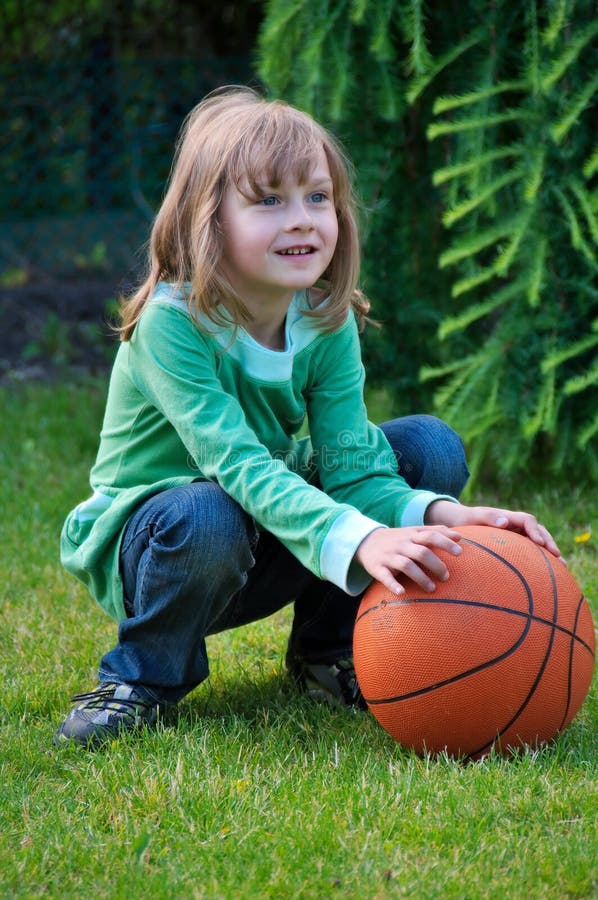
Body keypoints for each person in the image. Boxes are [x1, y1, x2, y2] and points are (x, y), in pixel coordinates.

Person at [54, 86, 560, 748]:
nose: (301, 219)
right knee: (208, 511)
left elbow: (356, 472)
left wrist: (444, 515)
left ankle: (329, 652)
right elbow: (236, 465)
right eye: (268, 200)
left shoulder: (326, 320)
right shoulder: (171, 325)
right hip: (160, 544)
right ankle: (142, 678)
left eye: (317, 197)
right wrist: (362, 536)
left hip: (261, 525)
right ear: (206, 220)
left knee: (425, 449)